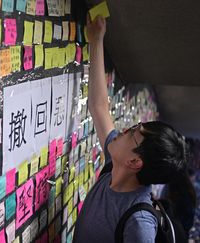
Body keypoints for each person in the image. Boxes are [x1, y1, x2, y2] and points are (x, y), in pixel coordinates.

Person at [73, 15, 187, 243]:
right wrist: (96, 40)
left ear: (135, 163)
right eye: (135, 127)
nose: (124, 130)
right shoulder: (114, 167)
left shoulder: (139, 222)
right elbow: (98, 107)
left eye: (133, 134)